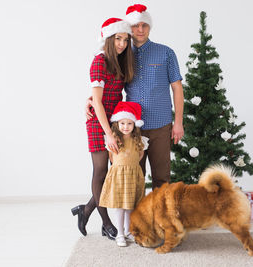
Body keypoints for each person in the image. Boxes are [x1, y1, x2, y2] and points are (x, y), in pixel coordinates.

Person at [86, 4, 184, 189]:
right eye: (135, 25)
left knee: (161, 178)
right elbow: (105, 82)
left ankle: (160, 217)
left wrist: (178, 122)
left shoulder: (166, 53)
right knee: (132, 179)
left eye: (144, 25)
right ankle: (137, 218)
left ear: (150, 27)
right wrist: (90, 100)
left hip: (160, 125)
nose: (140, 29)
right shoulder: (121, 53)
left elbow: (177, 88)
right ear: (128, 28)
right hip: (129, 128)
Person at [71, 17, 134, 239]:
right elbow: (97, 102)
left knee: (113, 172)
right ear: (108, 38)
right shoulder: (99, 61)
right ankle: (107, 223)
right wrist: (108, 133)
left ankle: (85, 209)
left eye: (125, 40)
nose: (122, 44)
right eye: (118, 38)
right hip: (99, 122)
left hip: (115, 120)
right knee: (101, 171)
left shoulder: (121, 61)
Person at [99, 101, 147, 247]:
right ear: (117, 124)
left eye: (129, 124)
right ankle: (120, 233)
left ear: (134, 125)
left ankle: (128, 231)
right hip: (119, 176)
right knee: (120, 206)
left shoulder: (139, 140)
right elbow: (112, 158)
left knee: (130, 206)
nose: (126, 127)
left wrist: (131, 167)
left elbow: (139, 156)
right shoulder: (114, 140)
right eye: (122, 123)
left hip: (133, 175)